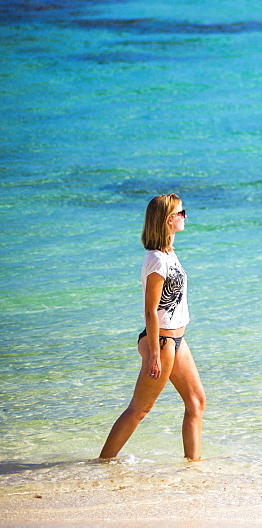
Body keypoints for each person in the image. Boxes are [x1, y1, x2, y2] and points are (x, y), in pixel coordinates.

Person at [100, 193, 206, 461]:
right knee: (140, 408)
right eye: (182, 213)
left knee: (196, 401)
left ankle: (193, 465)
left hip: (176, 340)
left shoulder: (169, 252)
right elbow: (151, 310)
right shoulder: (157, 260)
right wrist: (155, 356)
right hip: (161, 342)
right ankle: (102, 462)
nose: (185, 217)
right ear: (169, 220)